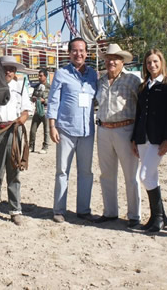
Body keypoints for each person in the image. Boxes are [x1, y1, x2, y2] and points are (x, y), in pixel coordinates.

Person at [47, 37, 98, 223]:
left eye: (82, 50)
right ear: (69, 53)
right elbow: (53, 101)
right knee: (62, 171)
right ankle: (59, 210)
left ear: (87, 53)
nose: (79, 54)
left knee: (86, 172)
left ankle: (83, 209)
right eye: (75, 50)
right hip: (65, 130)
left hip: (87, 132)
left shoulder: (93, 75)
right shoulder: (61, 74)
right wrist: (52, 126)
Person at [131, 49, 167, 233]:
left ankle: (159, 216)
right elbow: (139, 113)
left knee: (144, 175)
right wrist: (134, 138)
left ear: (161, 62)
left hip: (157, 138)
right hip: (143, 137)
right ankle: (157, 217)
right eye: (149, 62)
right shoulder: (144, 86)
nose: (152, 65)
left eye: (155, 62)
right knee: (151, 176)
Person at [94, 43, 142, 228]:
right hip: (104, 130)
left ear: (122, 62)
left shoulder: (132, 81)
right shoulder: (101, 81)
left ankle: (134, 215)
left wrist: (137, 136)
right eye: (108, 58)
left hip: (125, 130)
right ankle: (110, 212)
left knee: (131, 175)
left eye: (115, 58)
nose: (111, 62)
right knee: (106, 174)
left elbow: (141, 109)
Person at [0, 55, 32, 227]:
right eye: (5, 68)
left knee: (14, 171)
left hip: (15, 131)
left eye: (12, 69)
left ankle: (15, 210)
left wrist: (23, 118)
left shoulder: (20, 87)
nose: (8, 72)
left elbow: (26, 109)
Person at [29, 68, 50, 154]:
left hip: (46, 111)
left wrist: (44, 101)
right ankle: (31, 146)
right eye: (39, 75)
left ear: (45, 76)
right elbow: (33, 96)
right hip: (37, 110)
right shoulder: (37, 87)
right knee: (33, 130)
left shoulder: (50, 87)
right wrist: (33, 99)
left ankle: (45, 147)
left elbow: (53, 99)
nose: (39, 77)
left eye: (41, 76)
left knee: (46, 130)